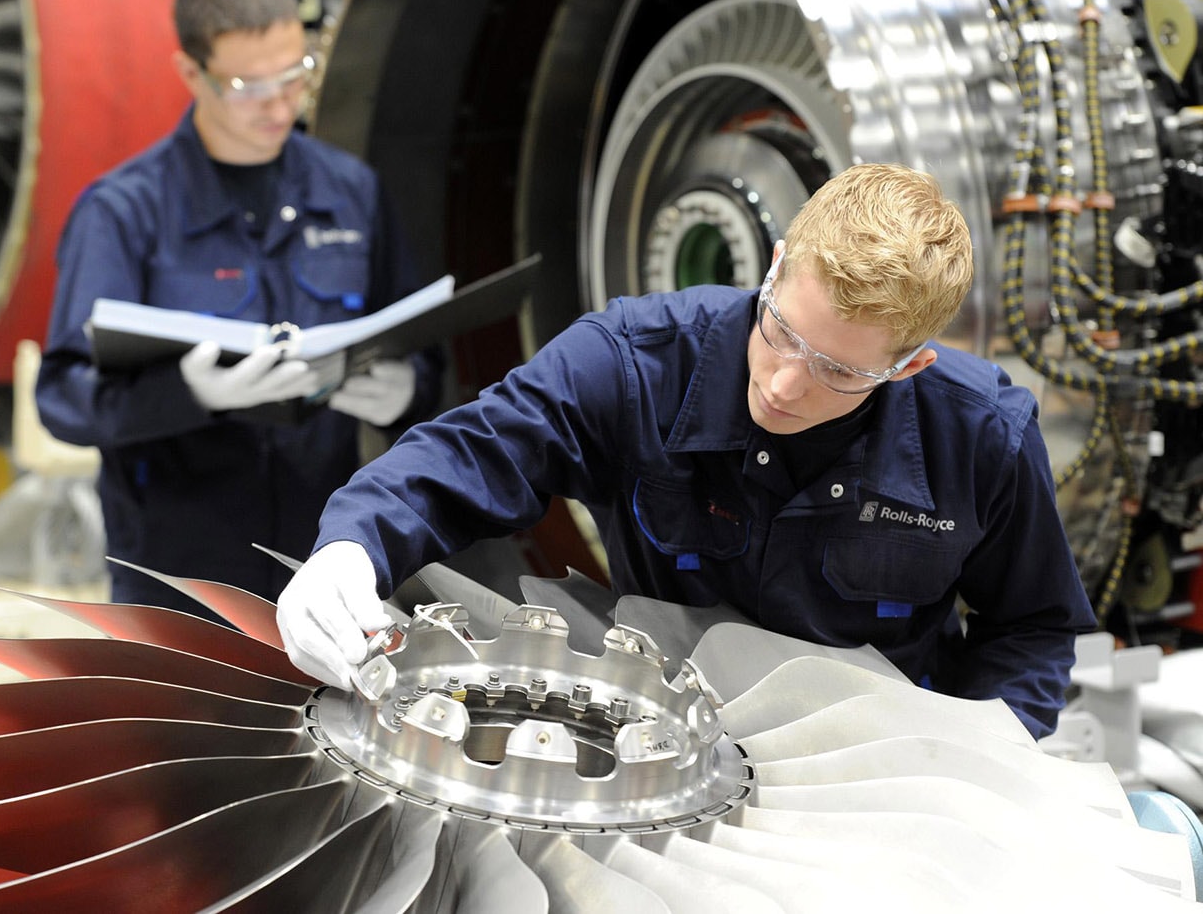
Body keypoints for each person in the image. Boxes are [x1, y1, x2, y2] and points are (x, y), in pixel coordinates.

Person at [276, 162, 1096, 740]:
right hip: (658, 740)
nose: (781, 384)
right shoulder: (635, 360)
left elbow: (1032, 628)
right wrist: (352, 546)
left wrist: (976, 761)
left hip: (871, 765)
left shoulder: (982, 435)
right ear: (775, 268)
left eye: (838, 371)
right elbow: (477, 449)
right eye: (780, 331)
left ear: (907, 365)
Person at [36, 0, 441, 618]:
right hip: (179, 577)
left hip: (326, 557)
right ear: (191, 73)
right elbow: (63, 397)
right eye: (250, 87)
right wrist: (189, 394)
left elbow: (422, 350)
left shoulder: (350, 192)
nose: (281, 106)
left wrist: (405, 392)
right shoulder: (123, 213)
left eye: (295, 75)